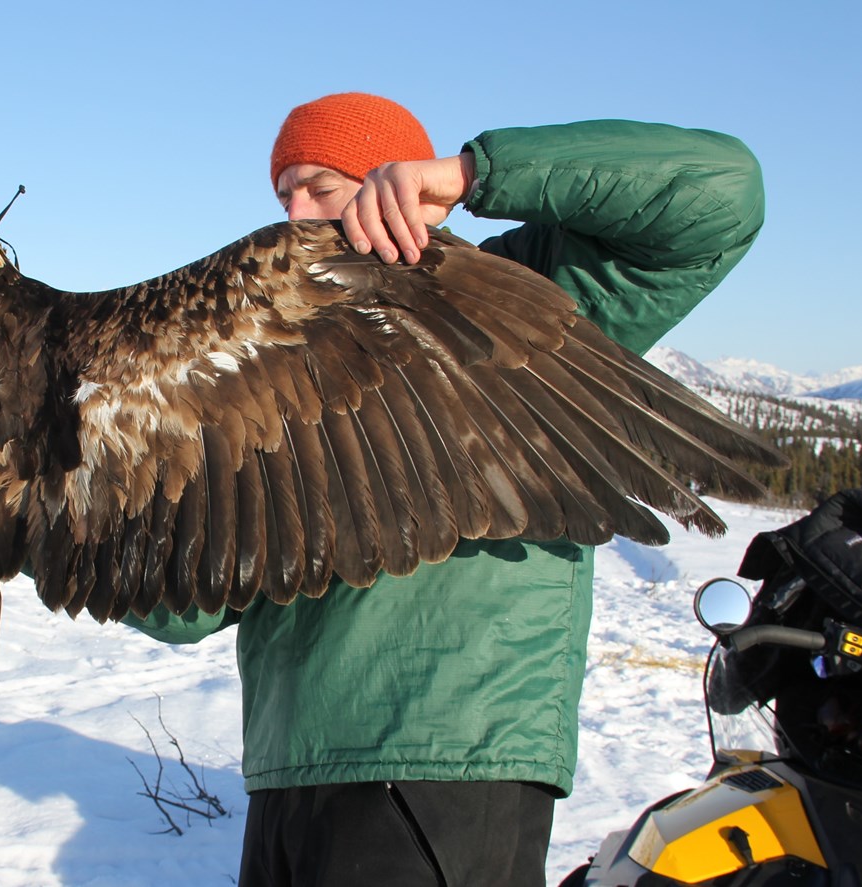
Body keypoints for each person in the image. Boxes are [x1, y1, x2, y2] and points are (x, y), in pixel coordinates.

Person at [129, 92, 765, 886]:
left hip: (448, 761)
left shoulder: (511, 295)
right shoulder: (275, 369)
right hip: (291, 773)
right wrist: (42, 520)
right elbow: (191, 602)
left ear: (394, 188)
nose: (291, 212)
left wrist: (475, 173)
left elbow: (721, 196)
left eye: (321, 186)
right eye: (282, 191)